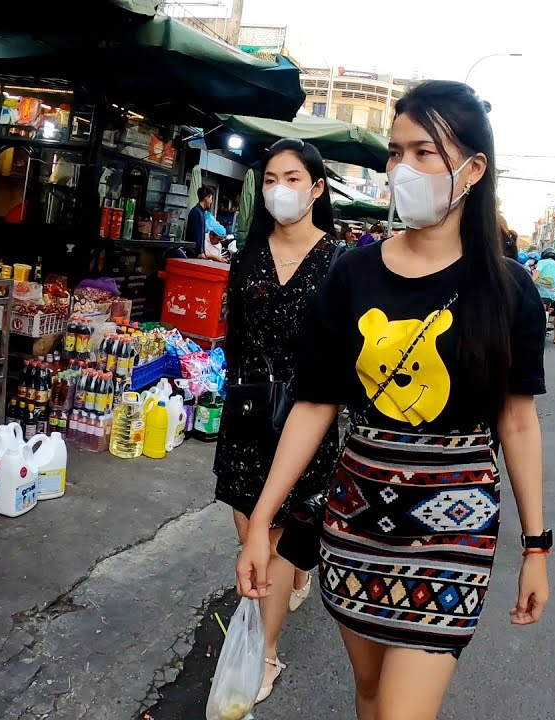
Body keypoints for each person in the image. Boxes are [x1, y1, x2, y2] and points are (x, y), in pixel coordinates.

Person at [237, 80, 550, 720]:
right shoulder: (352, 273)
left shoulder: (510, 291)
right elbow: (315, 404)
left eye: (423, 152)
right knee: (371, 694)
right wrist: (262, 525)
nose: (401, 168)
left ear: (473, 169)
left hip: (454, 533)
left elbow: (518, 424)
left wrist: (537, 547)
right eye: (395, 152)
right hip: (356, 520)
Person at [214, 137, 343, 705]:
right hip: (248, 417)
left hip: (307, 419)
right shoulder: (246, 256)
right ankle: (292, 576)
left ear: (316, 189)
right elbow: (234, 339)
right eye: (270, 179)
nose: (280, 189)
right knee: (250, 532)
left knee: (277, 538)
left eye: (292, 179)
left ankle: (265, 652)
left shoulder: (339, 262)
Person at [534, 248, 555, 345]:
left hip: (539, 297)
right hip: (552, 298)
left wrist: (529, 283)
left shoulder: (542, 262)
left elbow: (536, 275)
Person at [185, 187, 214, 252]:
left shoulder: (200, 212)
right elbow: (197, 235)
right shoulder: (196, 212)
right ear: (206, 198)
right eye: (211, 198)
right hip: (194, 251)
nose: (211, 201)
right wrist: (200, 252)